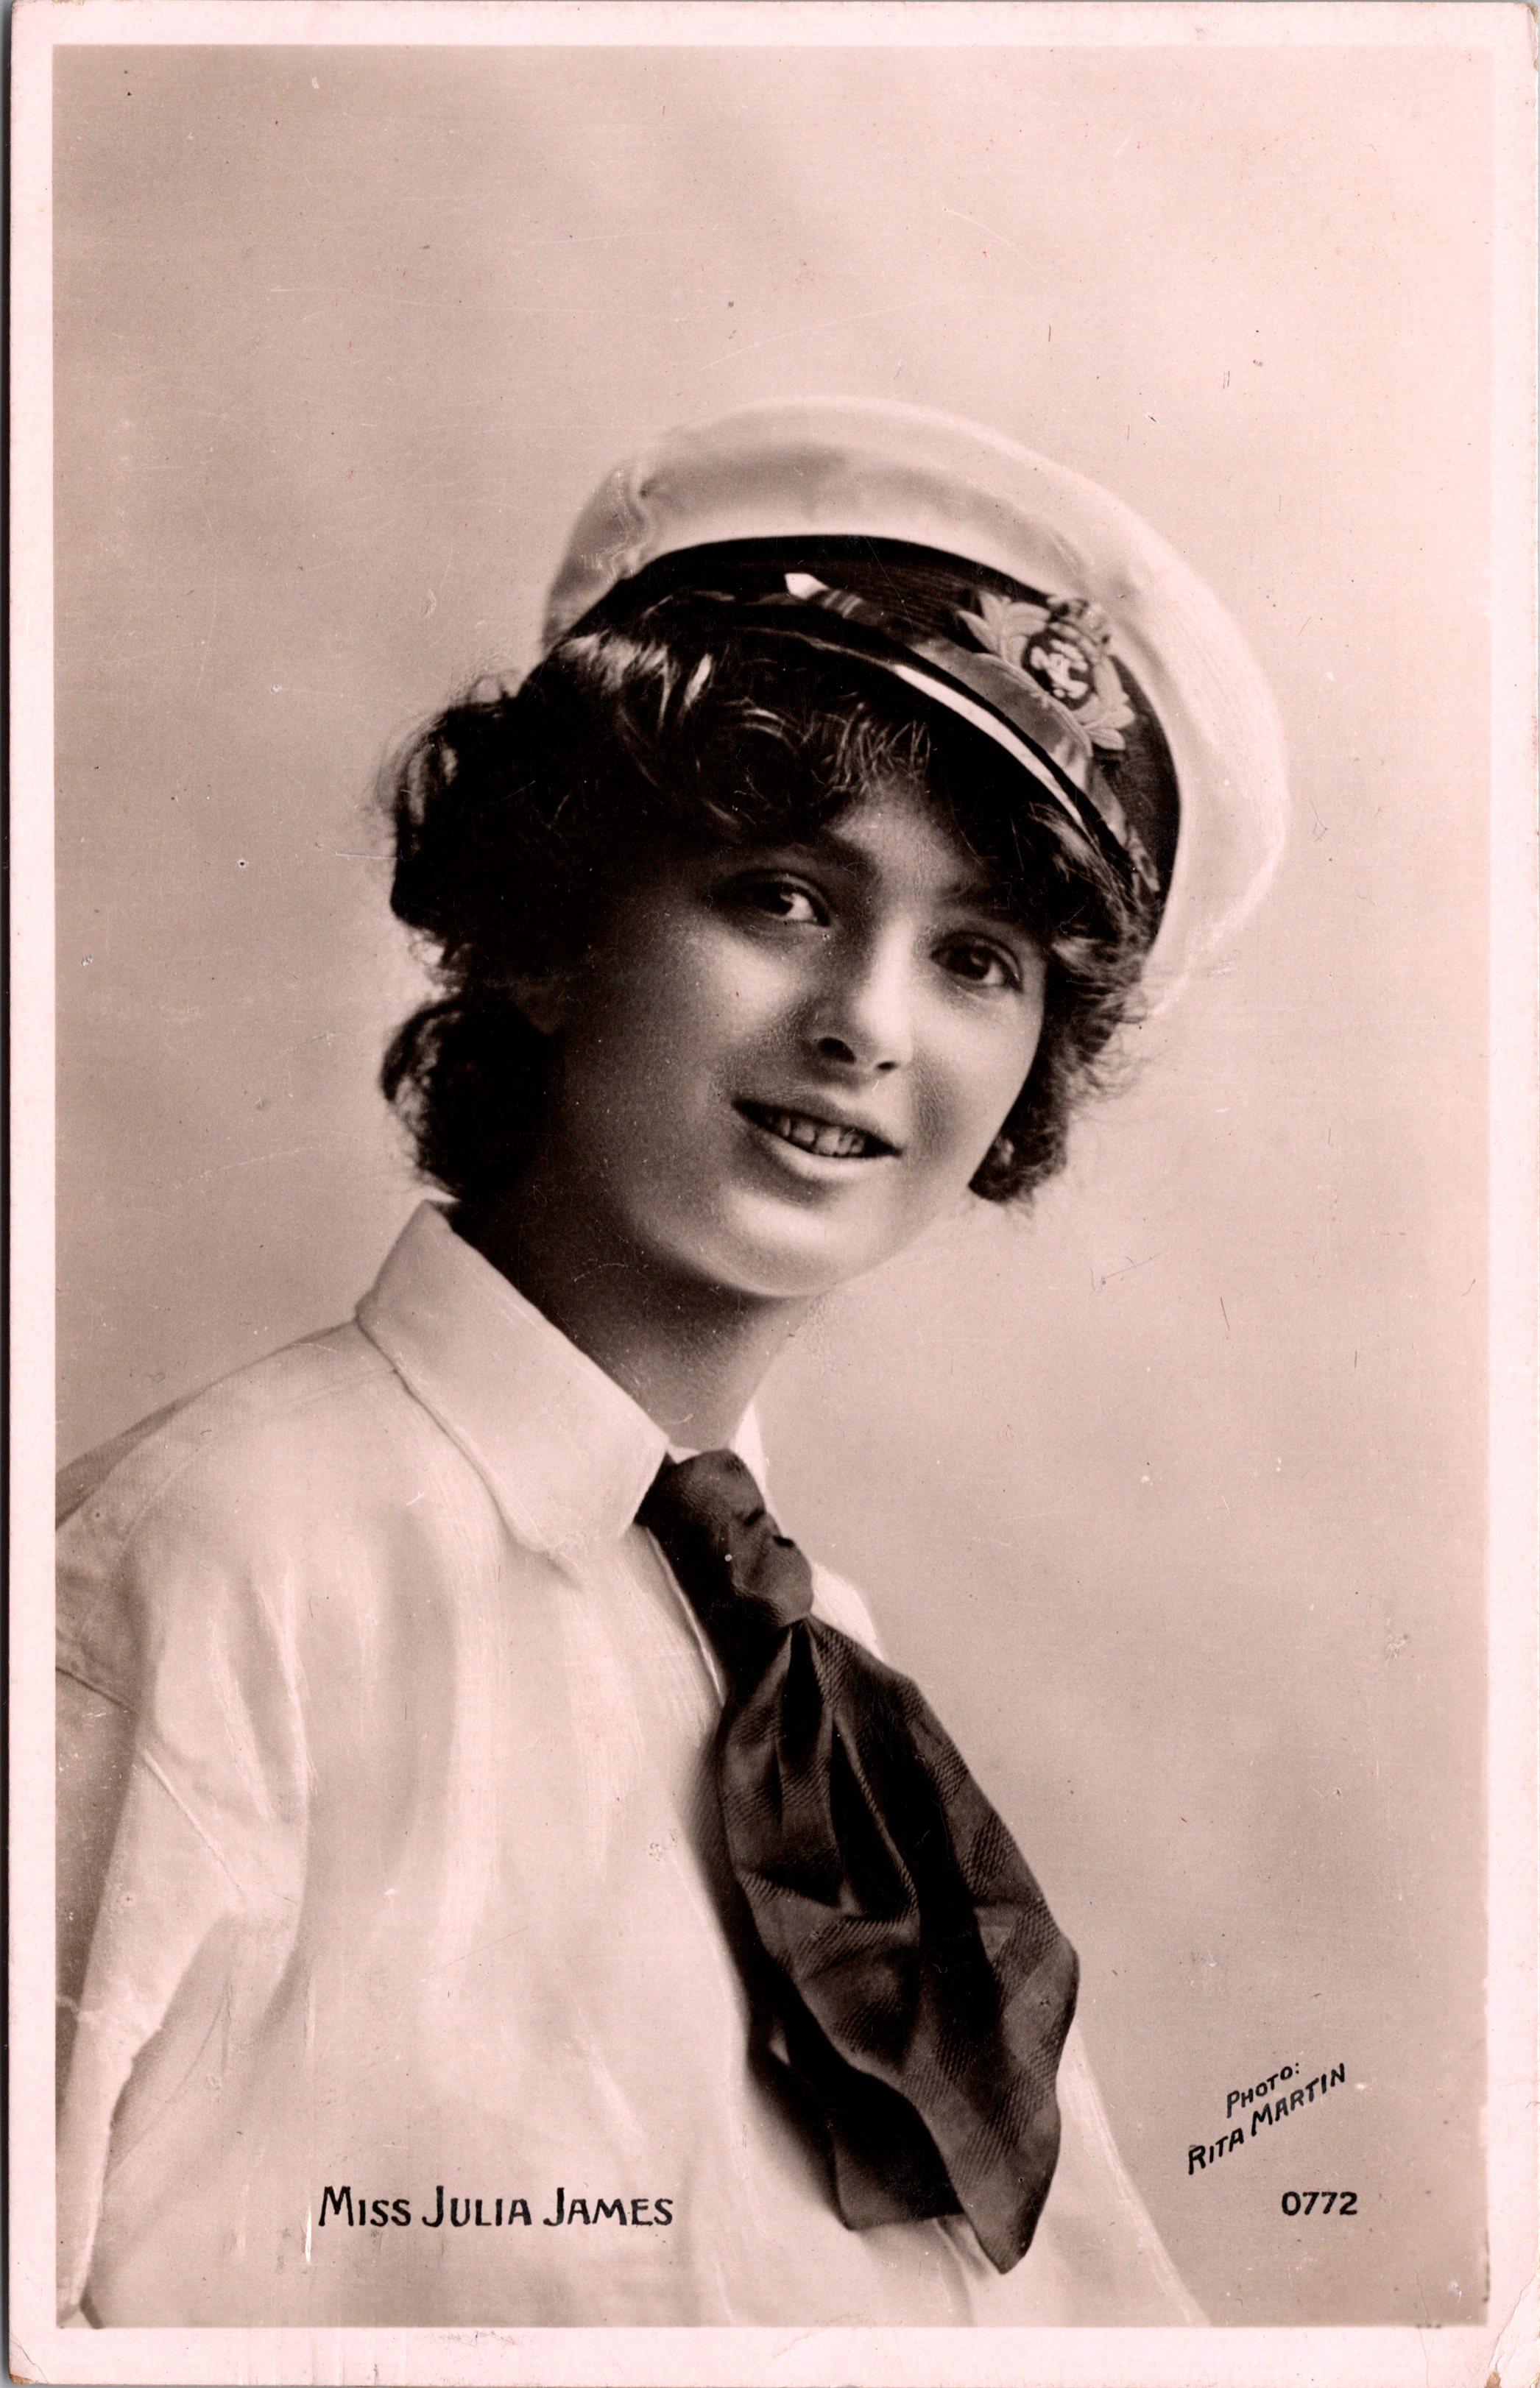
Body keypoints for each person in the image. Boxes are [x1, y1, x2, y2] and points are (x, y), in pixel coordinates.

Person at [55, 398, 1286, 2328]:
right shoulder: (208, 1570)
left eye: (976, 957)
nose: (868, 1024)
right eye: (783, 896)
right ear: (552, 932)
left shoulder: (833, 1696)